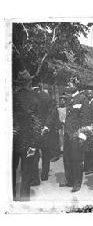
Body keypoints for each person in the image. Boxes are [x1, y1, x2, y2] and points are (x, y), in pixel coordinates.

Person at [12, 67, 43, 201]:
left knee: (11, 172)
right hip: (28, 142)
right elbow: (36, 124)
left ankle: (10, 199)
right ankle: (24, 201)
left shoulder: (12, 97)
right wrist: (34, 145)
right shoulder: (34, 99)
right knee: (26, 174)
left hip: (13, 140)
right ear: (29, 83)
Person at [60, 83, 89, 192]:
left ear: (76, 85)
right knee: (67, 158)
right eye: (67, 84)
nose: (67, 86)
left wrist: (82, 135)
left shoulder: (83, 99)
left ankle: (77, 183)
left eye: (70, 84)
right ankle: (70, 180)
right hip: (67, 134)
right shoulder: (69, 99)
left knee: (77, 159)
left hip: (76, 134)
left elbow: (86, 118)